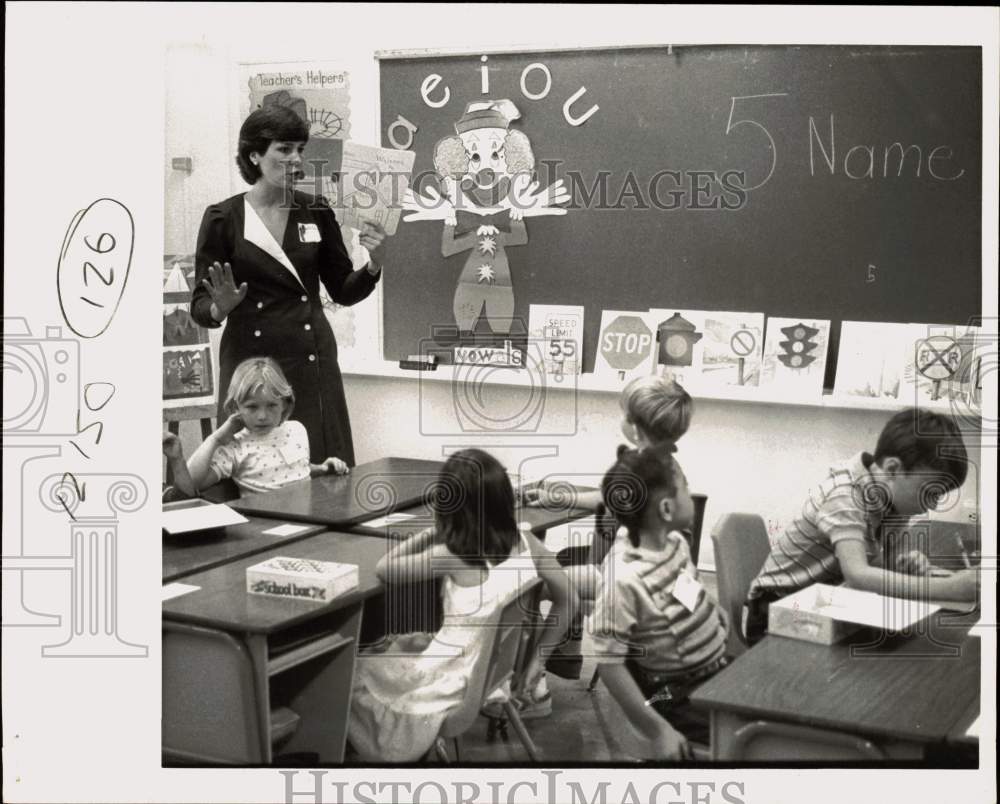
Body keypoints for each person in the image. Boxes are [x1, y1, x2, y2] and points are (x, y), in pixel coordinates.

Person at [347, 449, 577, 762]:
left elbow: (385, 569)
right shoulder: (528, 544)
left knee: (354, 672)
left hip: (450, 678)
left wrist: (431, 533)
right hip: (494, 676)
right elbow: (570, 600)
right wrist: (538, 661)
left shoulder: (453, 554)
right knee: (389, 652)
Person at [190, 104, 386, 466]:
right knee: (248, 468)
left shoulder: (316, 211)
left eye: (300, 150)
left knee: (323, 464)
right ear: (254, 155)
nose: (296, 160)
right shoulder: (223, 219)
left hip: (311, 357)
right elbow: (201, 306)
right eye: (284, 149)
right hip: (253, 363)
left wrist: (374, 265)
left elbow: (342, 289)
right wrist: (221, 307)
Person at [744, 407, 980, 644]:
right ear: (892, 469)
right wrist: (950, 588)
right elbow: (858, 575)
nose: (930, 506)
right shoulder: (845, 496)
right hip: (775, 611)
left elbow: (884, 570)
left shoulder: (892, 501)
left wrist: (910, 567)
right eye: (929, 493)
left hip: (830, 603)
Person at [591, 445, 729, 760]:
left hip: (714, 672)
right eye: (686, 488)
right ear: (667, 509)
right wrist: (657, 729)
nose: (691, 494)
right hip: (672, 695)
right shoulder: (623, 578)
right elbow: (608, 663)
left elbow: (683, 591)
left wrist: (709, 612)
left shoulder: (676, 544)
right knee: (752, 737)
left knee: (778, 705)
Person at [167, 357, 349, 497]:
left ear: (285, 404)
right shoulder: (234, 445)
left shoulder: (296, 429)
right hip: (264, 525)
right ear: (236, 407)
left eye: (272, 406)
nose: (262, 416)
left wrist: (322, 468)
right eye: (252, 407)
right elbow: (190, 485)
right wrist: (214, 439)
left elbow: (293, 468)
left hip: (307, 517)